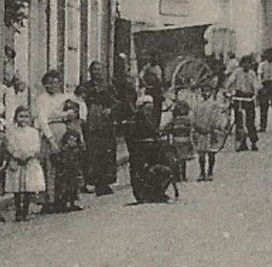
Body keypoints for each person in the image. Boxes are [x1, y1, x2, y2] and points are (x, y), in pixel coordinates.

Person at [34, 70, 87, 213]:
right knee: (51, 166)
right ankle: (49, 201)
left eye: (55, 82)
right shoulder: (42, 99)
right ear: (45, 84)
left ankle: (67, 199)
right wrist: (51, 140)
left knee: (68, 166)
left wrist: (74, 115)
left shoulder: (64, 97)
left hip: (64, 131)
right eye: (49, 83)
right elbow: (43, 119)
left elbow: (80, 105)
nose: (52, 86)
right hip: (50, 132)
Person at [78, 61, 120, 196]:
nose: (97, 73)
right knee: (90, 153)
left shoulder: (108, 87)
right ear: (90, 72)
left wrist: (110, 109)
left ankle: (104, 183)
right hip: (90, 124)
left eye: (99, 70)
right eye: (94, 70)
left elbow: (117, 103)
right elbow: (77, 101)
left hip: (105, 124)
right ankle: (89, 182)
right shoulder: (85, 87)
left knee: (105, 153)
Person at [126, 93, 172, 204]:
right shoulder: (134, 121)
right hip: (140, 152)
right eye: (147, 110)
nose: (149, 112)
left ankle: (157, 192)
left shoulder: (151, 121)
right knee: (140, 172)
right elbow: (130, 138)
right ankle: (142, 195)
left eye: (150, 110)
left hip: (152, 150)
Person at [4, 105, 46, 220]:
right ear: (16, 117)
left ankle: (25, 211)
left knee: (28, 187)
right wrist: (17, 155)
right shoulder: (12, 132)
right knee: (17, 188)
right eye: (21, 116)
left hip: (29, 162)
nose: (23, 119)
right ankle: (18, 211)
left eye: (26, 117)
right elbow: (10, 145)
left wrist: (28, 156)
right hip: (17, 161)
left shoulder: (33, 132)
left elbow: (36, 146)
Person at [190, 83, 230, 180]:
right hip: (200, 132)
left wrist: (217, 127)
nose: (205, 93)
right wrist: (196, 127)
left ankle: (210, 171)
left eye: (208, 91)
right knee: (201, 154)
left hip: (211, 132)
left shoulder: (215, 105)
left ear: (211, 92)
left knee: (211, 153)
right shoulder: (197, 105)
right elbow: (193, 118)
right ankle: (202, 172)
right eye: (203, 91)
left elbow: (218, 118)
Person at [228, 55, 260, 151]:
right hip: (238, 96)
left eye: (249, 63)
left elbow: (255, 85)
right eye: (244, 63)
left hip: (248, 98)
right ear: (241, 64)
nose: (246, 65)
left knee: (250, 121)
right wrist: (228, 91)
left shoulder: (252, 74)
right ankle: (242, 142)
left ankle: (254, 142)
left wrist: (255, 93)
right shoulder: (237, 72)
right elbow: (230, 81)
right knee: (239, 121)